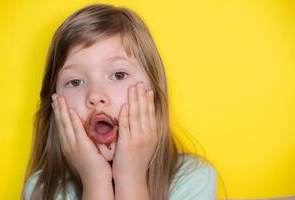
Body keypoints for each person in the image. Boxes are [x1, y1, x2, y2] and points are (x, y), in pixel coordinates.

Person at [22, 3, 217, 200]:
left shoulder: (194, 179)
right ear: (55, 106)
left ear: (154, 93)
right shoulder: (42, 190)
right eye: (75, 81)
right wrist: (96, 180)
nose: (95, 95)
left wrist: (130, 176)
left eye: (119, 75)